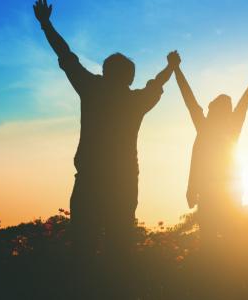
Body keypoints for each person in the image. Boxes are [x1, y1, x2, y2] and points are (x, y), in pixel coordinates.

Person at [33, 0, 178, 256]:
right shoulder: (135, 101)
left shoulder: (92, 89)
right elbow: (157, 83)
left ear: (104, 71)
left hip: (90, 180)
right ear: (130, 78)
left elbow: (66, 55)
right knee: (119, 248)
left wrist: (46, 24)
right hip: (123, 182)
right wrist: (171, 66)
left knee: (83, 246)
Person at [171, 52, 248, 244]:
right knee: (224, 241)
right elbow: (190, 99)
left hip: (220, 194)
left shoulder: (209, 128)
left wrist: (176, 69)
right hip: (221, 194)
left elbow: (190, 100)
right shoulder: (224, 128)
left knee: (216, 241)